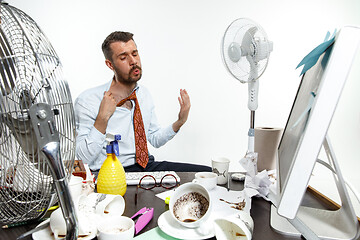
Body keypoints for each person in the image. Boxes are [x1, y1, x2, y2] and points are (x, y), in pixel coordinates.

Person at [74, 31, 211, 174]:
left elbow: (154, 138)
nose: (133, 61)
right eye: (123, 57)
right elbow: (84, 158)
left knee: (206, 174)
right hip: (111, 172)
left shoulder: (143, 94)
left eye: (134, 54)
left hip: (147, 167)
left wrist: (179, 122)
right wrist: (102, 118)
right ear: (110, 65)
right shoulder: (88, 100)